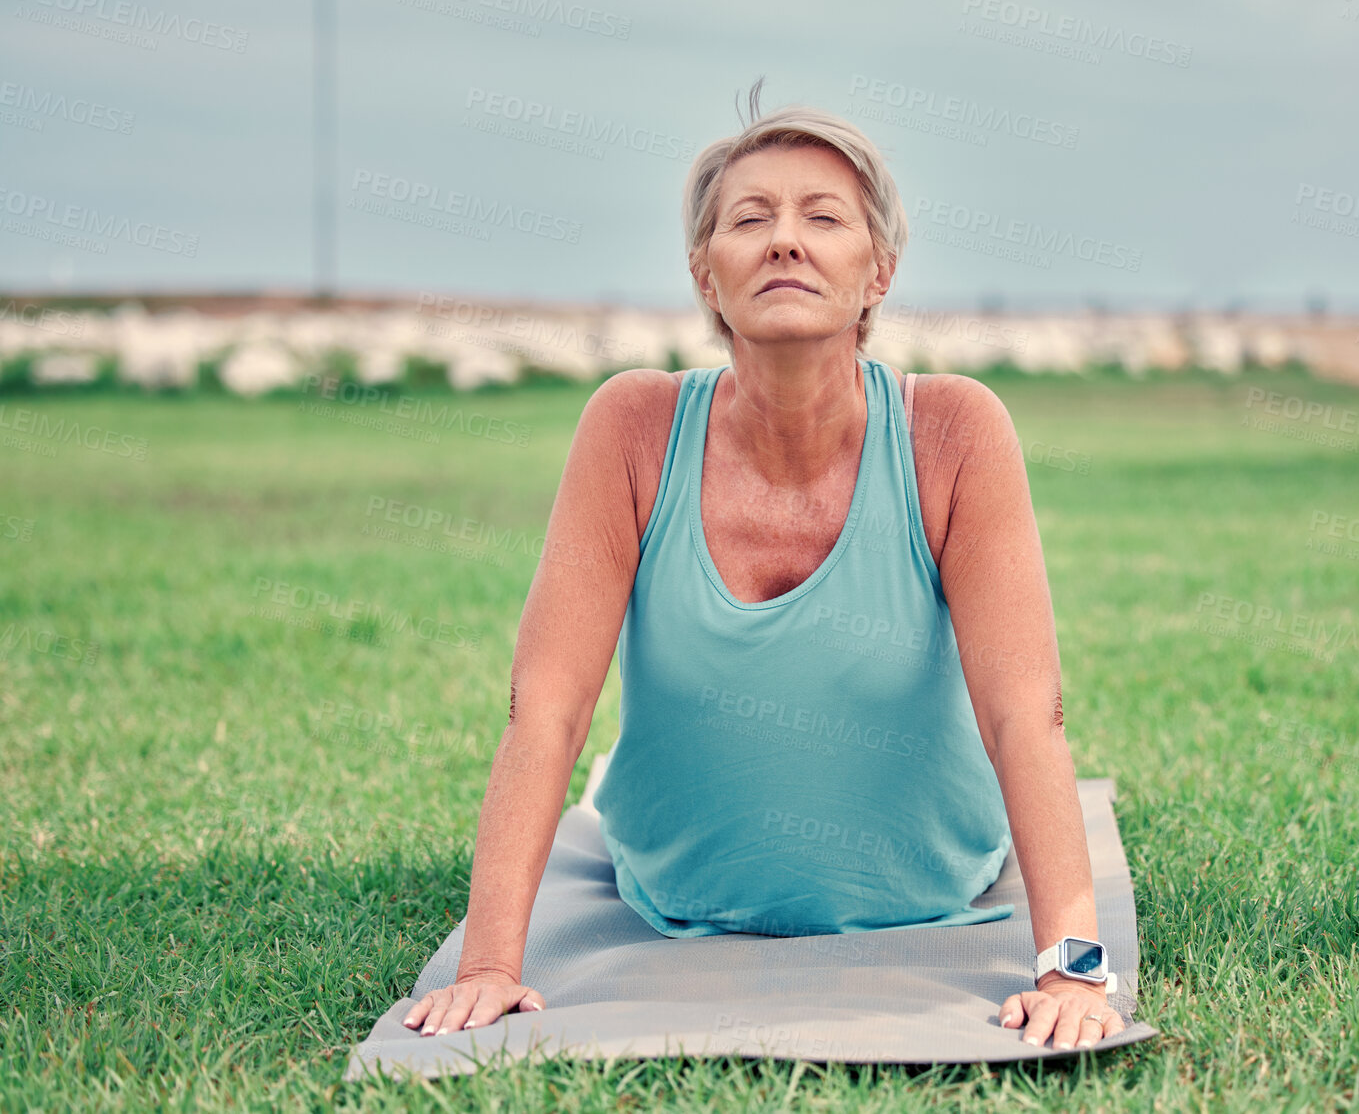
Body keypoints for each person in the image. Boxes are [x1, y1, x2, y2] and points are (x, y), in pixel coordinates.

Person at [404, 83, 1127, 1052]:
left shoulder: (953, 429)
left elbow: (1023, 710)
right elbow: (547, 704)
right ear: (706, 274)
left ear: (879, 271)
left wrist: (1069, 967)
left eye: (823, 217)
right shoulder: (633, 426)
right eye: (751, 218)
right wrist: (490, 964)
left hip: (930, 885)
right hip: (673, 890)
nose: (786, 240)